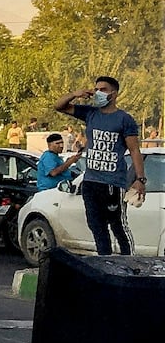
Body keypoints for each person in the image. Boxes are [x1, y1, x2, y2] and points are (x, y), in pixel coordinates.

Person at [55, 76, 146, 255]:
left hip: (113, 183)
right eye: (96, 89)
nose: (98, 93)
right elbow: (59, 106)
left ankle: (130, 263)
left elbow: (135, 150)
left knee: (118, 225)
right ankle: (105, 261)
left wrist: (140, 179)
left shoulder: (124, 119)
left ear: (114, 93)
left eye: (103, 89)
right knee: (96, 226)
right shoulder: (90, 113)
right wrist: (75, 94)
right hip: (91, 182)